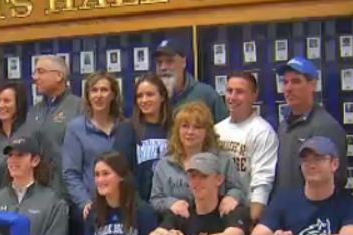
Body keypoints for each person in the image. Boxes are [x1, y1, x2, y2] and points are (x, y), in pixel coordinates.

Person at [149, 101, 247, 217]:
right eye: (185, 126)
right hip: (178, 224)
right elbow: (155, 200)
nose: (190, 132)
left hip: (216, 222)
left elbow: (238, 189)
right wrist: (170, 204)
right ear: (177, 130)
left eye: (197, 127)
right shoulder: (164, 164)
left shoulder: (222, 160)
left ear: (207, 132)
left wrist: (232, 197)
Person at [63, 72, 135, 220]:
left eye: (104, 90)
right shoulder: (76, 128)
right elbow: (71, 173)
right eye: (94, 90)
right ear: (88, 96)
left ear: (113, 95)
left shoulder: (125, 127)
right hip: (92, 208)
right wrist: (85, 203)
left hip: (123, 207)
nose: (99, 95)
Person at [145, 152, 251, 235]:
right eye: (193, 176)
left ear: (219, 179)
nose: (196, 182)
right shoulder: (184, 210)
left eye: (203, 176)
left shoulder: (231, 208)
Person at [273, 56, 346, 195]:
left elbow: (336, 179)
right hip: (284, 205)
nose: (288, 88)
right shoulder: (284, 125)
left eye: (296, 82)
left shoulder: (325, 127)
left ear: (312, 85)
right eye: (285, 82)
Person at [216, 70, 279, 222]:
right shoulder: (216, 130)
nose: (232, 97)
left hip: (245, 213)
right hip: (217, 213)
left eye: (240, 92)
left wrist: (252, 220)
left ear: (254, 95)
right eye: (229, 91)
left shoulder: (262, 132)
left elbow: (262, 183)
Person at [0, 135, 69, 235]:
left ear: (35, 160)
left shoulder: (54, 204)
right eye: (10, 155)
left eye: (20, 155)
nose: (13, 160)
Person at [26, 54, 85, 199]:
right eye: (34, 72)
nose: (35, 77)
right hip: (37, 194)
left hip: (70, 193)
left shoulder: (80, 107)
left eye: (41, 72)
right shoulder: (34, 111)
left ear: (59, 76)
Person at [116, 74, 172, 203]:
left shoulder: (175, 127)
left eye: (150, 94)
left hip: (172, 203)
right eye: (139, 96)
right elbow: (121, 172)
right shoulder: (127, 129)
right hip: (139, 204)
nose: (144, 100)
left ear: (162, 97)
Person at [84, 151, 158, 235]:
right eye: (97, 174)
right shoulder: (93, 212)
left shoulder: (144, 213)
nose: (100, 180)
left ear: (121, 176)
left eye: (106, 173)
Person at [0, 82, 32, 203]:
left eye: (7, 101)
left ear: (18, 104)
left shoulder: (32, 134)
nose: (1, 105)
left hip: (29, 203)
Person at [154, 36, 228, 120]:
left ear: (183, 62)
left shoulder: (206, 95)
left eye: (169, 61)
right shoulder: (151, 97)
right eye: (159, 62)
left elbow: (224, 126)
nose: (163, 67)